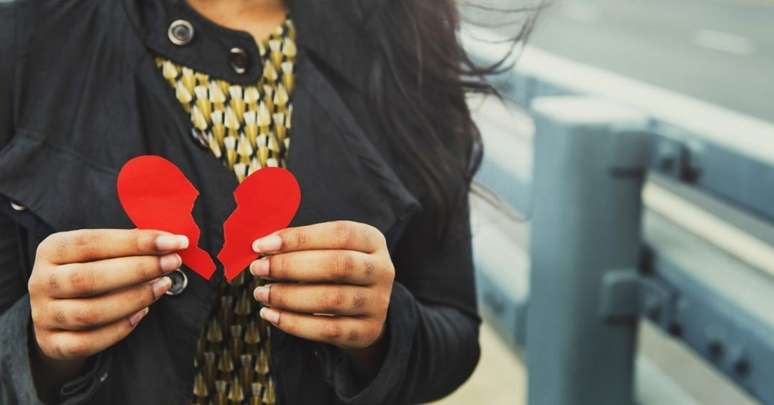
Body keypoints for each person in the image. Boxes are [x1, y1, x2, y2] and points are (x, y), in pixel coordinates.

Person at [0, 0, 501, 403]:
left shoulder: (409, 43)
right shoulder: (25, 42)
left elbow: (454, 335)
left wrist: (382, 332)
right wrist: (42, 346)